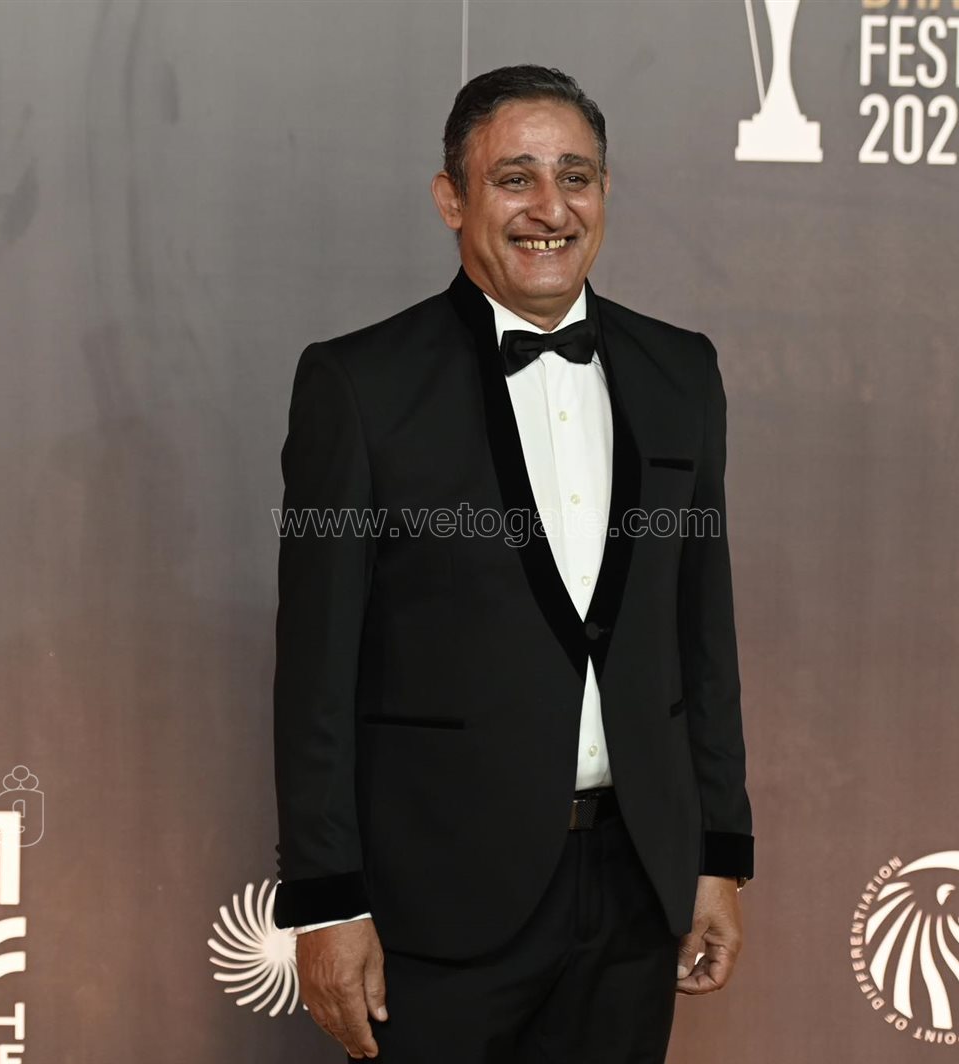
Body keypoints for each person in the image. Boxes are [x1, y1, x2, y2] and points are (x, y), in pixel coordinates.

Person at [271, 64, 753, 1063]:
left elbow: (702, 635)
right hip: (435, 897)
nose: (550, 209)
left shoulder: (681, 373)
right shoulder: (359, 385)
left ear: (604, 193)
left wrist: (718, 853)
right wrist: (326, 900)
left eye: (575, 177)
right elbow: (314, 670)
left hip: (636, 887)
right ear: (452, 198)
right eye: (514, 179)